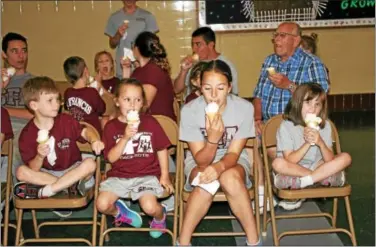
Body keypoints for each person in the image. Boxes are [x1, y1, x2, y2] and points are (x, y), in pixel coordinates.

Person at [178, 60, 260, 246]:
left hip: (234, 161)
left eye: (220, 88)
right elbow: (200, 160)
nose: (214, 95)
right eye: (207, 88)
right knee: (205, 181)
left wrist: (219, 166)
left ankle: (254, 241)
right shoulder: (190, 111)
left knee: (229, 178)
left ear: (230, 87)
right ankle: (183, 242)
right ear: (199, 87)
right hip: (200, 160)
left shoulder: (244, 108)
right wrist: (213, 139)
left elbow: (234, 154)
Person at [252, 22, 329, 210]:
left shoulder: (311, 63)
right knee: (248, 141)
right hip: (267, 122)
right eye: (276, 35)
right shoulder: (269, 61)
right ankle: (263, 194)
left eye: (282, 36)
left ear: (296, 40)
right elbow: (258, 95)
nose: (277, 39)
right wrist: (256, 119)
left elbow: (321, 95)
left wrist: (289, 85)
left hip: (297, 124)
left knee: (272, 149)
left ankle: (290, 186)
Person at [96, 78, 174, 238]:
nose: (132, 104)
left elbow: (162, 148)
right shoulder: (111, 127)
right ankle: (120, 212)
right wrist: (124, 138)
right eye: (127, 99)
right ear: (117, 102)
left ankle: (160, 216)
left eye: (137, 100)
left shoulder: (150, 122)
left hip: (147, 175)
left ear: (142, 103)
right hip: (120, 176)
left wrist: (165, 175)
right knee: (101, 205)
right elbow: (110, 158)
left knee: (150, 207)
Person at [13, 76, 104, 202]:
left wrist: (94, 140)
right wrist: (40, 156)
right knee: (21, 172)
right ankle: (65, 187)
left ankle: (48, 191)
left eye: (57, 99)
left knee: (90, 163)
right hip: (48, 174)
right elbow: (33, 169)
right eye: (50, 100)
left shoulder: (65, 121)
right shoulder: (27, 134)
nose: (56, 103)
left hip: (74, 171)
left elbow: (85, 131)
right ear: (34, 105)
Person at [272, 83, 350, 205]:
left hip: (319, 166)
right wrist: (308, 143)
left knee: (346, 157)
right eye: (308, 103)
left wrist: (320, 143)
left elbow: (329, 159)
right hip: (294, 169)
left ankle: (305, 181)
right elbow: (290, 160)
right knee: (278, 163)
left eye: (317, 104)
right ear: (298, 103)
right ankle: (320, 178)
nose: (312, 109)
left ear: (322, 108)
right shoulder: (286, 126)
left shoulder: (325, 126)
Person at [121, 31, 176, 122]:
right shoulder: (139, 70)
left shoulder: (152, 70)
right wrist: (126, 69)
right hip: (145, 120)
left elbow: (144, 105)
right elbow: (125, 93)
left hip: (159, 124)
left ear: (137, 49)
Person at [173, 27, 238, 97]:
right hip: (192, 106)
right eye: (193, 44)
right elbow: (176, 90)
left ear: (211, 45)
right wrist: (184, 70)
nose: (194, 49)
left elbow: (234, 95)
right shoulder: (192, 64)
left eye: (198, 44)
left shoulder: (226, 65)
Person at [105, 0, 158, 79]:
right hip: (123, 68)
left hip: (142, 68)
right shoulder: (114, 18)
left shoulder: (147, 16)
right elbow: (112, 44)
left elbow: (152, 44)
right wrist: (118, 34)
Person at [63, 56, 106, 135]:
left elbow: (67, 109)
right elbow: (102, 109)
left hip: (74, 132)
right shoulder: (92, 92)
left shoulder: (67, 92)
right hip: (92, 133)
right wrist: (97, 90)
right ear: (86, 71)